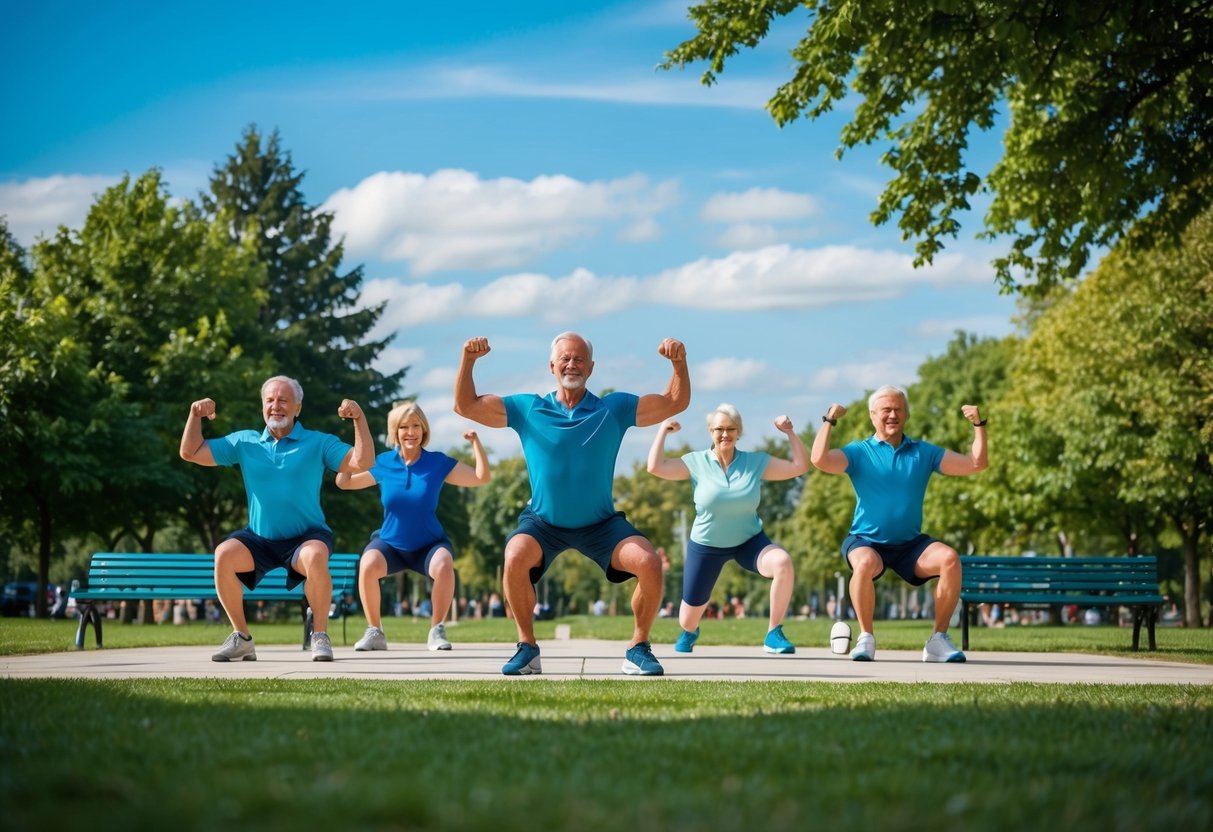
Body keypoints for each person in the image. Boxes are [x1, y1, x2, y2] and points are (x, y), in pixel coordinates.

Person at [454, 332, 690, 676]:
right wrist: (468, 360)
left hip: (601, 525)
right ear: (552, 365)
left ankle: (638, 648)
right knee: (515, 555)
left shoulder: (614, 408)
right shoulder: (528, 408)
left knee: (649, 562)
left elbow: (674, 401)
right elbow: (466, 405)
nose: (572, 364)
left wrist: (678, 363)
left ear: (591, 368)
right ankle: (527, 647)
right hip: (543, 523)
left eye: (579, 359)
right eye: (565, 358)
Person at [179, 375, 373, 662]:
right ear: (262, 407)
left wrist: (359, 419)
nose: (275, 406)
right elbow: (190, 452)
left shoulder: (318, 443)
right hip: (259, 538)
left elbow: (363, 461)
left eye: (283, 400)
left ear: (297, 407)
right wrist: (195, 416)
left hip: (306, 536)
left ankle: (319, 635)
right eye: (269, 400)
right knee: (223, 554)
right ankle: (242, 637)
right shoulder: (244, 442)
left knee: (315, 556)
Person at [810, 385, 987, 663]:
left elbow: (976, 464)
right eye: (886, 410)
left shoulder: (923, 452)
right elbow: (819, 459)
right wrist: (829, 421)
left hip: (910, 544)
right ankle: (866, 637)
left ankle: (938, 640)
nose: (892, 415)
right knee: (865, 564)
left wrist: (979, 425)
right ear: (873, 416)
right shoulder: (860, 452)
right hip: (866, 540)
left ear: (906, 415)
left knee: (950, 559)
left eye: (898, 410)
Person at [647, 405, 808, 655]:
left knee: (783, 562)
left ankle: (773, 633)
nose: (725, 434)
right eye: (719, 429)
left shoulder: (755, 463)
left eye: (730, 429)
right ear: (711, 432)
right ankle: (690, 631)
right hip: (706, 545)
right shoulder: (696, 463)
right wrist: (663, 432)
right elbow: (655, 467)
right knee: (686, 620)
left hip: (749, 541)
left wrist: (789, 432)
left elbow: (799, 466)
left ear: (739, 432)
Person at [335, 401, 491, 652]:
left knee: (443, 563)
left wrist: (475, 443)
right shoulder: (383, 463)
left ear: (424, 429)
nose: (411, 432)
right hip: (390, 544)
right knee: (367, 563)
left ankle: (437, 629)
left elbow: (481, 477)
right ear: (395, 432)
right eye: (404, 427)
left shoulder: (437, 463)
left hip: (428, 545)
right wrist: (348, 458)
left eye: (416, 425)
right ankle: (375, 631)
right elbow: (345, 483)